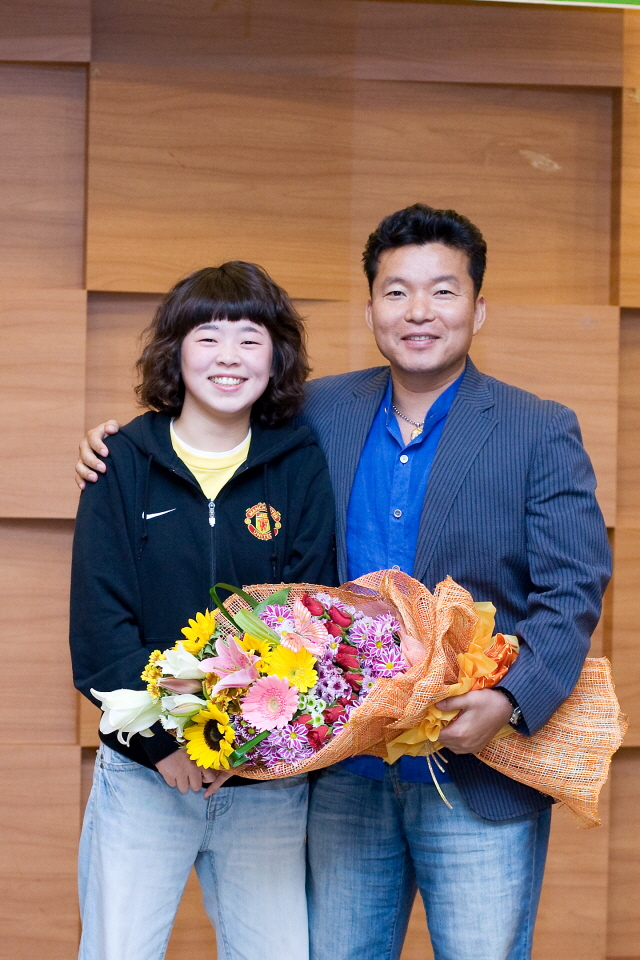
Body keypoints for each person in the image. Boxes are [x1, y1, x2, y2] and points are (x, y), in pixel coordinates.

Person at [76, 204, 611, 960]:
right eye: (396, 291)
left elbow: (573, 590)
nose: (418, 311)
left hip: (475, 764)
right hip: (340, 776)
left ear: (479, 307)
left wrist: (509, 700)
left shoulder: (537, 428)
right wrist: (115, 444)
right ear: (370, 311)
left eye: (443, 291)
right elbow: (207, 419)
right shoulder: (317, 412)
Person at [71, 261, 337, 960]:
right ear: (176, 351)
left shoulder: (299, 462)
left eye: (250, 339)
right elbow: (99, 631)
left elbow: (312, 620)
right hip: (143, 774)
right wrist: (167, 745)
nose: (229, 356)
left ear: (276, 357)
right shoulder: (120, 463)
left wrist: (238, 745)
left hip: (264, 783)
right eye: (208, 337)